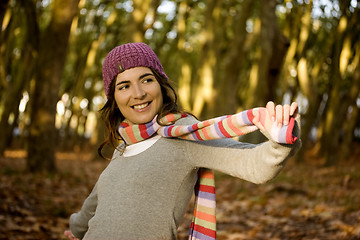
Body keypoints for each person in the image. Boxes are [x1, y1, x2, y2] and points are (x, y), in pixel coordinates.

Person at [64, 42, 301, 240]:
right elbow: (95, 203)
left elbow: (254, 165)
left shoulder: (182, 134)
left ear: (161, 84)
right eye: (124, 86)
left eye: (146, 80)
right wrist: (76, 230)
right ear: (114, 99)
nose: (138, 93)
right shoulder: (124, 144)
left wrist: (281, 142)